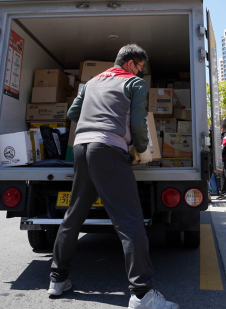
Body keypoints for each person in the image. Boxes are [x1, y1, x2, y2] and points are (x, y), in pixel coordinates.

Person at [49, 44, 179, 309]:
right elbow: (138, 124)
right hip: (108, 149)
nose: (142, 72)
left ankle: (57, 279)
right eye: (141, 66)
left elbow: (73, 113)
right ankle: (143, 294)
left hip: (81, 148)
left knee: (73, 216)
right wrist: (142, 149)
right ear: (131, 63)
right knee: (130, 221)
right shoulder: (134, 84)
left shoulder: (91, 82)